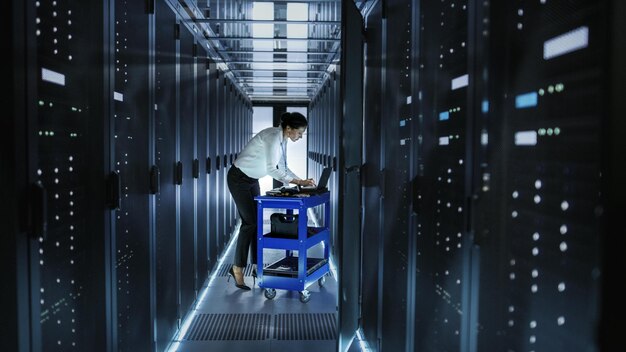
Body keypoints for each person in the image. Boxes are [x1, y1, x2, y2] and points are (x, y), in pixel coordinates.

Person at [226, 111, 315, 290]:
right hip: (238, 179)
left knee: (257, 224)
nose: (300, 136)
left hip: (251, 180)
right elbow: (271, 170)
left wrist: (302, 182)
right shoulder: (272, 137)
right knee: (249, 223)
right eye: (299, 132)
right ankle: (237, 267)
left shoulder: (282, 140)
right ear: (289, 128)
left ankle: (258, 268)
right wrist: (299, 182)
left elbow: (282, 167)